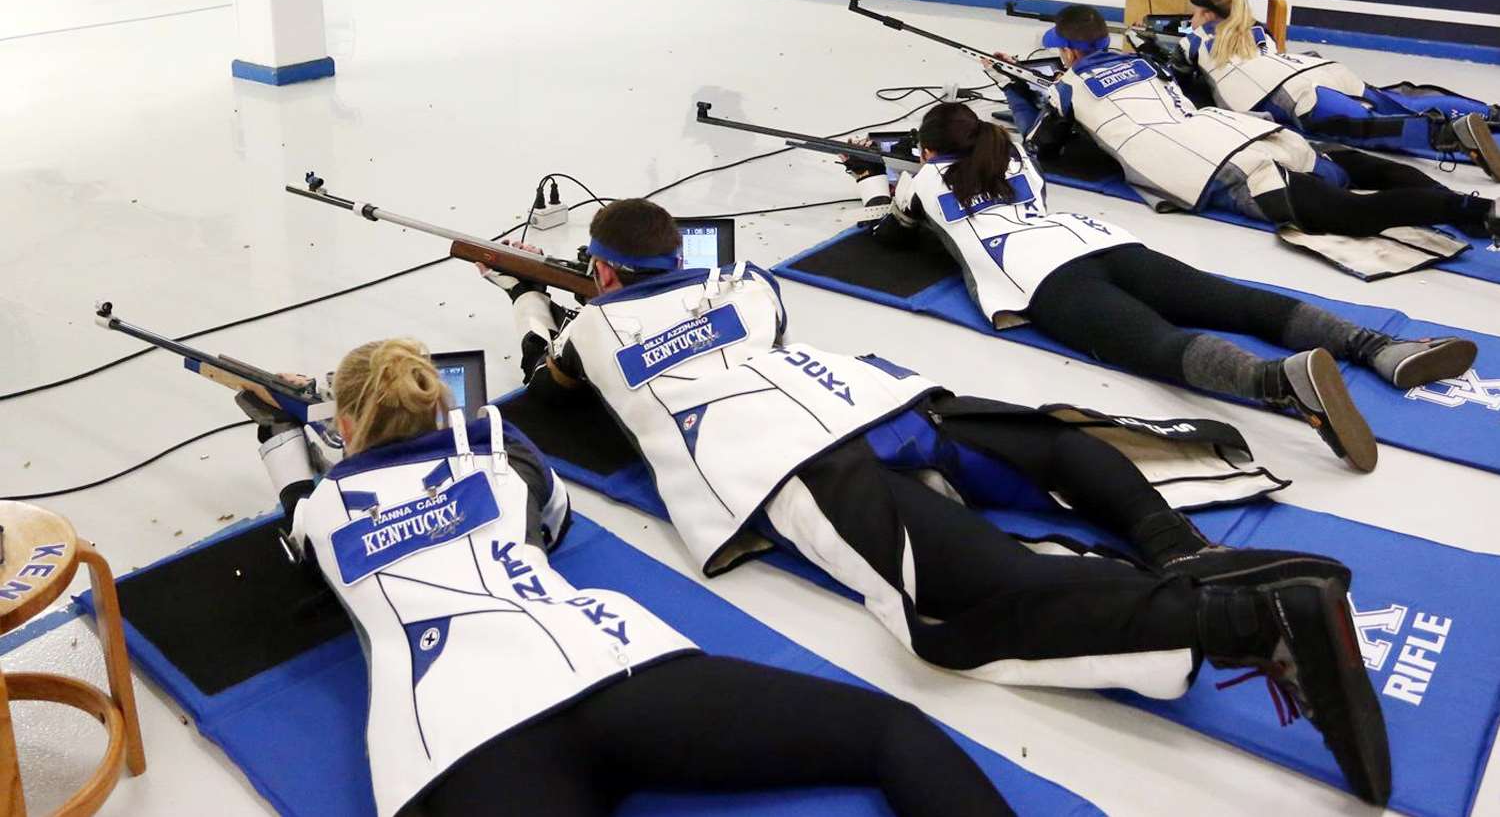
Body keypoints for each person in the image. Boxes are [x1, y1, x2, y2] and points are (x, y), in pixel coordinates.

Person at [494, 197, 1392, 805]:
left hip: (792, 466)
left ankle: (1250, 623)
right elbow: (744, 320)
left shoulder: (594, 332)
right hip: (879, 401)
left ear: (602, 276)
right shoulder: (750, 288)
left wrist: (540, 307)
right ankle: (1175, 542)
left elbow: (561, 384)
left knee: (968, 597)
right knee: (1052, 442)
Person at [237, 338, 1013, 817]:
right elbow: (552, 512)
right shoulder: (502, 466)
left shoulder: (322, 517)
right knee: (890, 731)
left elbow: (302, 503)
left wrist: (282, 432)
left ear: (341, 430)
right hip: (615, 668)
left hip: (463, 741)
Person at [841, 101, 1478, 472]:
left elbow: (889, 233)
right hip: (1103, 241)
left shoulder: (921, 186)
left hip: (1043, 281)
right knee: (1236, 300)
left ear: (925, 155)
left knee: (1158, 346)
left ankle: (1281, 384)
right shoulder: (1015, 159)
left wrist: (870, 171)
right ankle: (1377, 347)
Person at [998, 5, 1500, 241]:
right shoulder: (1147, 63)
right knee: (1361, 165)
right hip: (1232, 128)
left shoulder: (1067, 88)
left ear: (1065, 51)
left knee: (1347, 214)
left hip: (1208, 166)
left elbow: (1042, 145)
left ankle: (1467, 212)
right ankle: (1472, 204)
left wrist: (1013, 86)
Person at [1173, 0, 1500, 179]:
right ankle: (1491, 113)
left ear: (1206, 15)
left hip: (1290, 91)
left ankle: (1450, 134)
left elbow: (1180, 72)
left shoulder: (1196, 39)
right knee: (1400, 101)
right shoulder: (1254, 28)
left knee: (1375, 128)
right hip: (1315, 69)